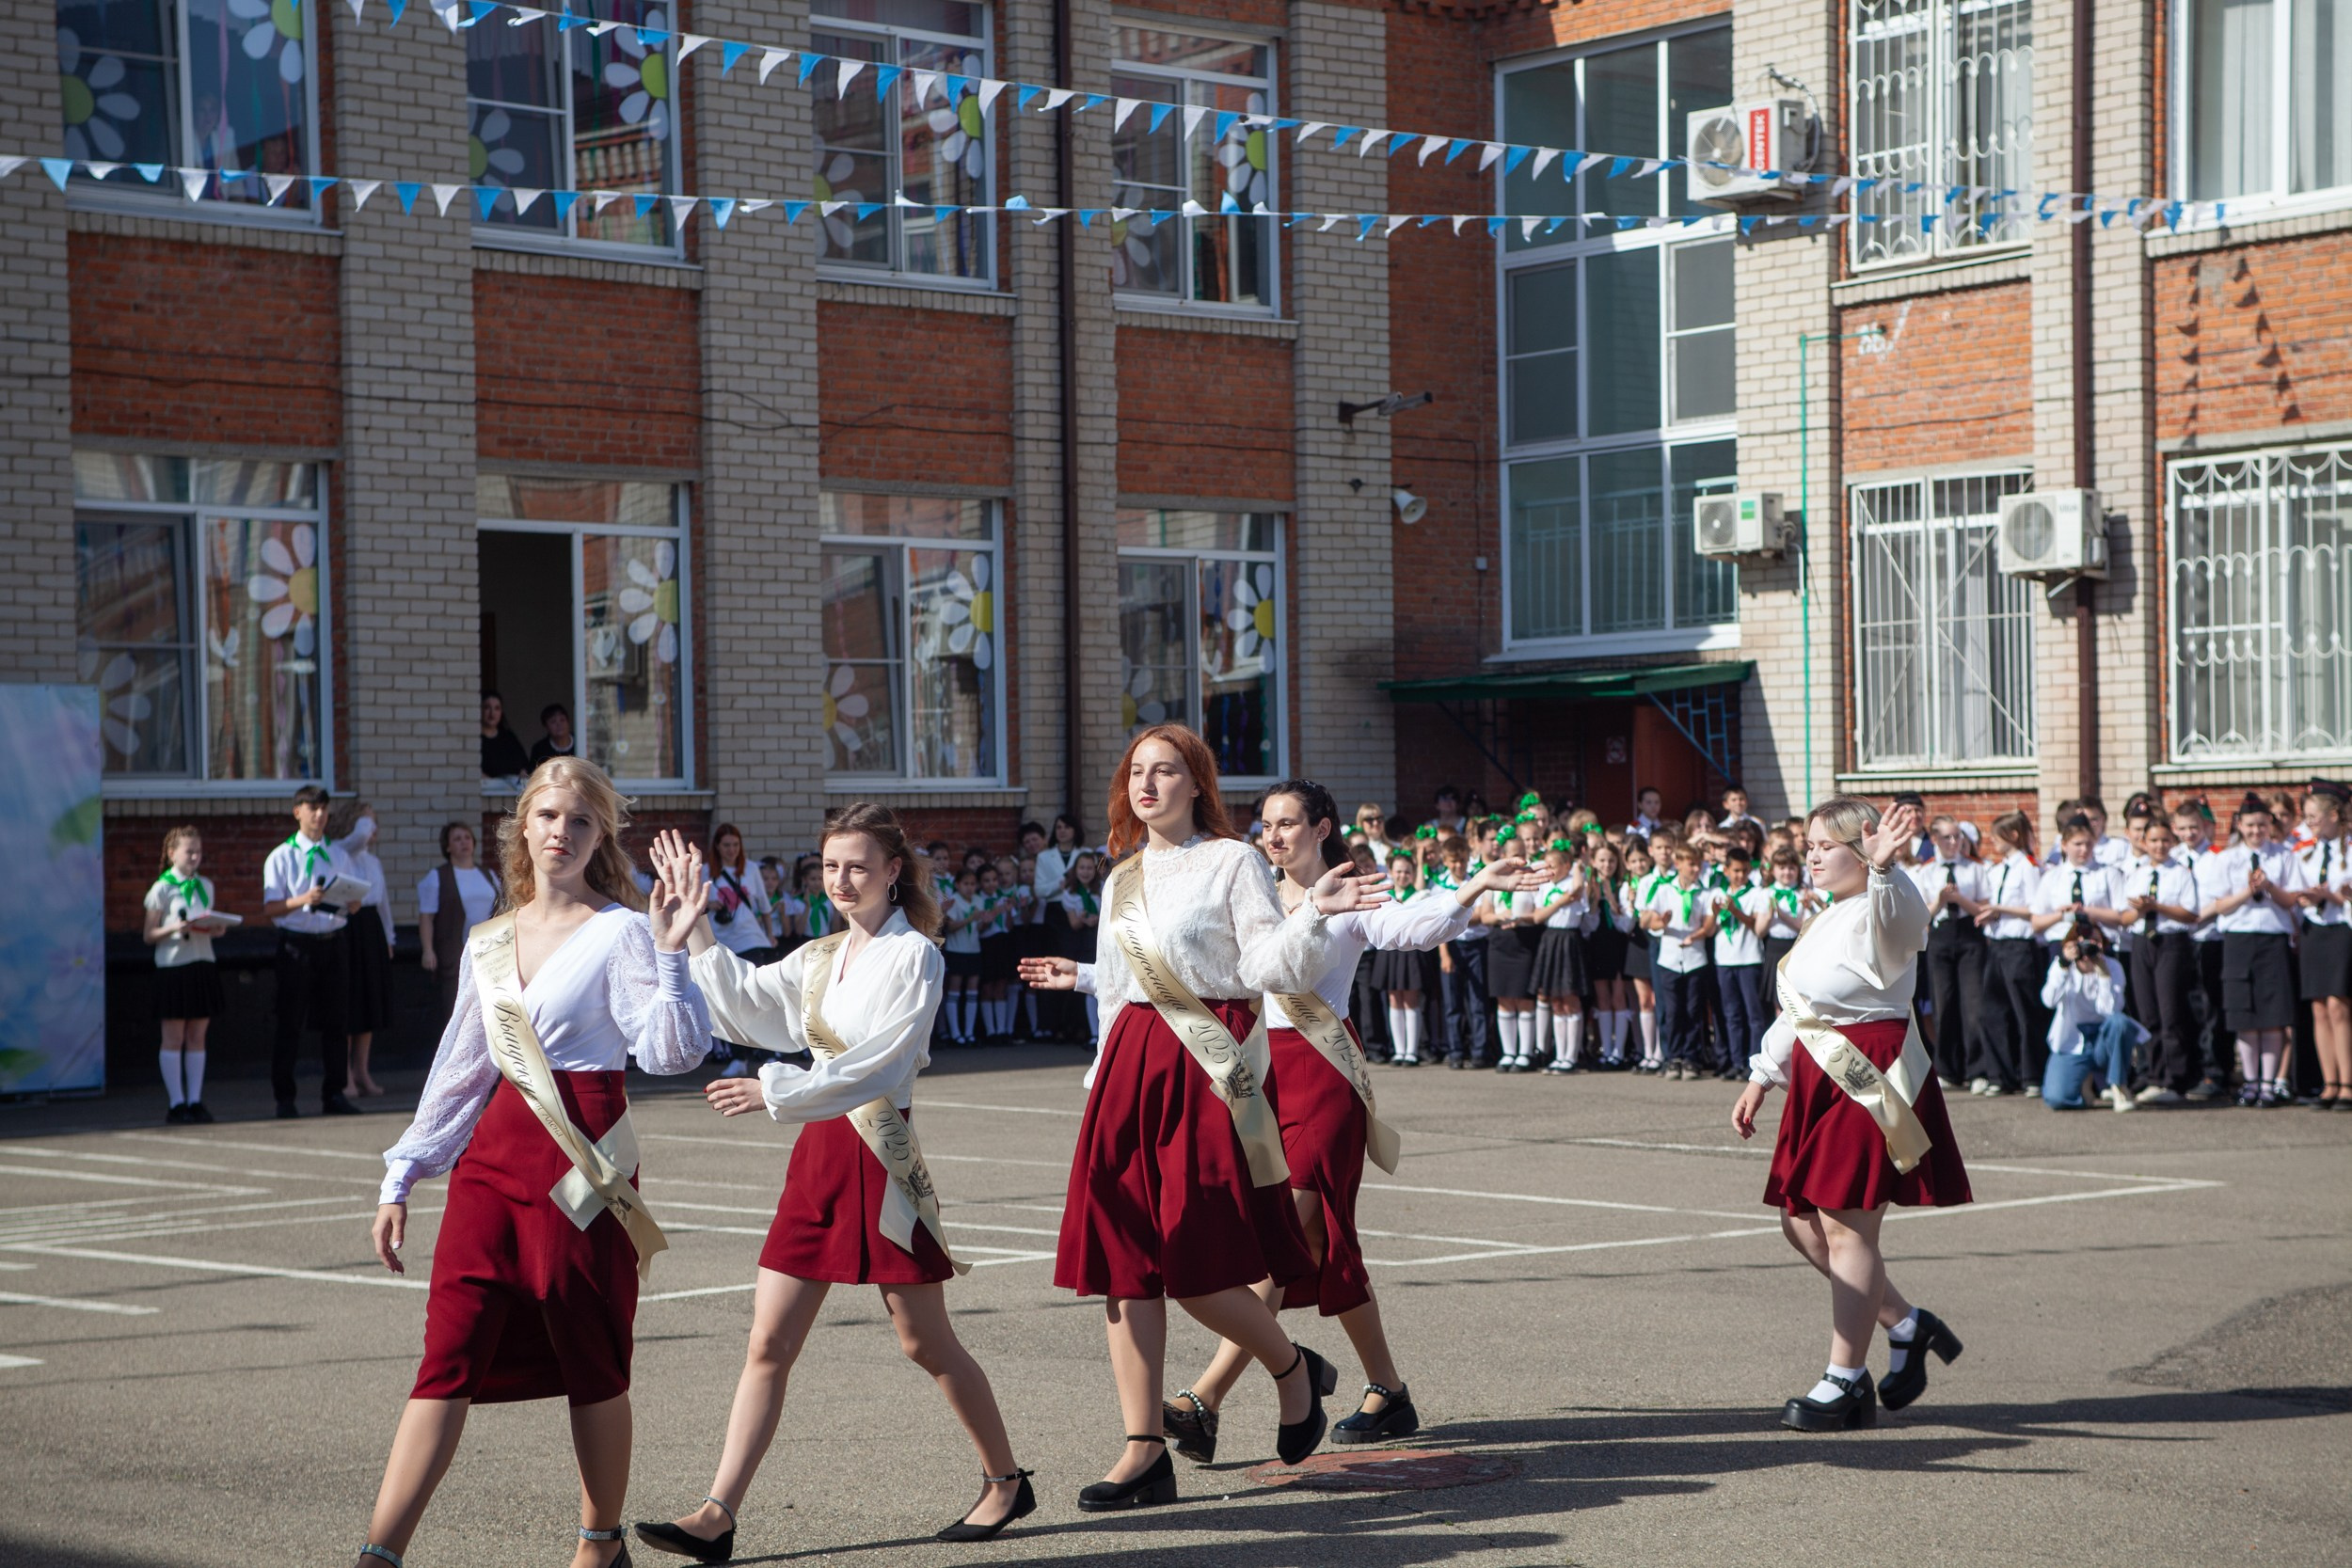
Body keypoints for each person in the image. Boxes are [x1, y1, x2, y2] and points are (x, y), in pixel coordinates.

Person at [637, 809, 1034, 1555]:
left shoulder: (916, 955)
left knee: (925, 1340)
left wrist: (775, 1091)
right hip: (820, 1153)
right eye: (829, 867)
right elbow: (751, 1006)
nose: (841, 880)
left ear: (893, 870)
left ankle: (1006, 1479)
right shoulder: (820, 954)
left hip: (880, 1157)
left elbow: (881, 1064)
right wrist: (694, 930)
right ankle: (717, 1512)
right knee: (769, 1343)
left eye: (857, 866)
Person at [357, 757, 712, 1568]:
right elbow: (461, 1068)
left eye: (580, 821)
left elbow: (667, 1051)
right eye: (549, 815)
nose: (562, 831)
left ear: (599, 837)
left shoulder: (622, 929)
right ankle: (380, 1554)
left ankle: (599, 1542)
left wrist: (670, 953)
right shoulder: (488, 940)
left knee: (591, 1354)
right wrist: (402, 1175)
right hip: (495, 1164)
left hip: (583, 1165)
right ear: (523, 824)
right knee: (448, 1353)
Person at [1017, 724, 1384, 1510]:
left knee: (1193, 1262)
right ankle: (1143, 1448)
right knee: (1123, 1263)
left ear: (1197, 783)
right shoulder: (1121, 879)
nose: (1148, 783)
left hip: (1204, 1068)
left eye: (1167, 770)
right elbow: (1121, 989)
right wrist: (1098, 1077)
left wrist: (1314, 913)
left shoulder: (1232, 859)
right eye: (1137, 771)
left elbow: (1260, 967)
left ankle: (1291, 1370)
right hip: (1129, 1069)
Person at [1162, 782, 1537, 1463]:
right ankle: (1387, 1389)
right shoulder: (1248, 896)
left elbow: (1414, 928)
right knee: (1324, 1242)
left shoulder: (1351, 891)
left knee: (1287, 1233)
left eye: (1287, 823)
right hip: (1257, 1078)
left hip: (1324, 1075)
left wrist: (1478, 880)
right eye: (1266, 824)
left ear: (1321, 827)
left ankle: (1204, 1398)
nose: (1272, 835)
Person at [1731, 797, 1971, 1432]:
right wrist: (1763, 1073)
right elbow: (1803, 1010)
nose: (1812, 854)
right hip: (1820, 1071)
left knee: (1846, 1227)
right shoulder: (1830, 915)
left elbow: (1902, 928)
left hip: (1870, 1076)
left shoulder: (1886, 905)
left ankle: (1845, 1379)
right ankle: (1908, 1323)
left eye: (1826, 844)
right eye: (1808, 844)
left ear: (1863, 850)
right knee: (1798, 1219)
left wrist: (1890, 870)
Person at [2200, 794, 2310, 1106]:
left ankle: (2269, 1083)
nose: (2256, 831)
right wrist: (2248, 890)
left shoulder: (2284, 856)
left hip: (2272, 939)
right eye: (2250, 825)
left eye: (2262, 824)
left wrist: (2269, 887)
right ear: (2240, 825)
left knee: (2273, 1016)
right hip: (2239, 940)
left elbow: (2292, 901)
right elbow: (2219, 904)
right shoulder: (2227, 858)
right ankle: (2249, 1081)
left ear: (2269, 825)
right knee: (2244, 1015)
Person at [262, 784, 360, 1120]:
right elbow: (271, 907)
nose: (319, 815)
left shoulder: (339, 854)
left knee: (336, 1021)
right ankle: (284, 1097)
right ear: (298, 812)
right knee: (290, 1021)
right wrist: (303, 900)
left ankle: (334, 1092)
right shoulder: (281, 856)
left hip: (333, 941)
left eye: (323, 809)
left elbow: (352, 896)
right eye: (312, 809)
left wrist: (354, 902)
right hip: (297, 945)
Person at [145, 826, 230, 1125]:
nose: (194, 857)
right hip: (173, 967)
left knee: (197, 1036)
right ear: (171, 854)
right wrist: (174, 928)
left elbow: (207, 921)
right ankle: (176, 1102)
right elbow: (149, 934)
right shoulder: (162, 888)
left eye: (198, 851)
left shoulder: (205, 884)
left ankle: (195, 1100)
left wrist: (215, 928)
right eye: (188, 851)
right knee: (174, 1036)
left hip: (201, 963)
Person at [2122, 818, 2204, 1103]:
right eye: (2153, 840)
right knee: (2148, 1013)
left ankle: (2175, 1079)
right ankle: (2154, 1076)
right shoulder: (2137, 873)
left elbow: (2191, 914)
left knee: (2171, 1012)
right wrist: (2140, 910)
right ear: (2143, 842)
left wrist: (2156, 906)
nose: (2159, 846)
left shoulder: (2180, 873)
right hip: (2143, 941)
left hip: (2170, 943)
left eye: (2164, 840)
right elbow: (2125, 915)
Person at [1913, 816, 1994, 1094]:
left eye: (1957, 836)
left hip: (1969, 935)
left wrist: (1960, 900)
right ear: (1934, 840)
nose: (1954, 842)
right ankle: (1947, 1068)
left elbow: (1983, 911)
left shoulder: (1974, 868)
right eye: (1947, 837)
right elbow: (1922, 916)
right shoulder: (1927, 871)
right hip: (1940, 936)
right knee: (1943, 1003)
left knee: (1973, 1006)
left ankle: (1977, 1069)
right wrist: (1940, 900)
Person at [1975, 812, 2049, 1094]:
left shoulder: (2028, 867)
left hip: (2020, 947)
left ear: (2014, 836)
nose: (1993, 842)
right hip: (1997, 945)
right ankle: (2000, 1075)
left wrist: (2000, 910)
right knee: (1993, 1011)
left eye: (1997, 836)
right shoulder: (1998, 868)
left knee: (2025, 1011)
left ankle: (2032, 1075)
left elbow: (2035, 908)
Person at [2039, 925, 2146, 1112]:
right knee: (2056, 1099)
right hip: (2073, 1040)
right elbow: (2049, 1001)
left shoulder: (2113, 966)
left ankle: (2119, 1086)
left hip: (2103, 1038)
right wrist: (2064, 966)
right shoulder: (2061, 965)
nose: (2088, 948)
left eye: (2095, 942)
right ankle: (2084, 1084)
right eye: (2082, 944)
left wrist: (2104, 976)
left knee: (2121, 1023)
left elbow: (2111, 1011)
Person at [2292, 782, 2352, 1108]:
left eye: (2314, 816)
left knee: (2338, 1006)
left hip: (2341, 929)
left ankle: (2348, 1082)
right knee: (2318, 1008)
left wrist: (2330, 895)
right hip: (2314, 930)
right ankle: (2329, 1082)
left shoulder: (2350, 849)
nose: (2310, 822)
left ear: (2333, 815)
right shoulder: (2307, 853)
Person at [2169, 800, 2233, 1101]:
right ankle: (2191, 1070)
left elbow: (2222, 899)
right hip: (2182, 941)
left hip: (2210, 938)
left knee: (2211, 1009)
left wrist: (2197, 917)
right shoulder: (2173, 858)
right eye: (2182, 829)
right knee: (2186, 1008)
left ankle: (2215, 1073)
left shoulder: (2219, 858)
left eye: (2194, 827)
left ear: (2205, 826)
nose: (2189, 834)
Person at [335, 801, 396, 1099]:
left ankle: (362, 1071)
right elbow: (356, 839)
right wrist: (364, 820)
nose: (372, 830)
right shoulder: (341, 851)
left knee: (369, 1002)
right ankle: (343, 1075)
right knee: (349, 1003)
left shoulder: (374, 862)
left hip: (371, 929)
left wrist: (389, 938)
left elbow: (383, 905)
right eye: (367, 823)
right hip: (348, 928)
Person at [419, 821, 503, 1029]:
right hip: (455, 953)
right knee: (457, 1013)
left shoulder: (487, 874)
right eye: (457, 839)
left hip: (489, 954)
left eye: (466, 837)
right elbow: (426, 917)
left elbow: (502, 909)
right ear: (447, 847)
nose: (464, 842)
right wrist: (428, 950)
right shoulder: (438, 877)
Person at [1643, 844, 1715, 1080]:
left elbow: (1707, 924)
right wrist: (1661, 923)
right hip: (1670, 958)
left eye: (1698, 865)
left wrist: (1696, 935)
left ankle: (1692, 1058)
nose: (1695, 869)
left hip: (1695, 957)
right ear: (1678, 865)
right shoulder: (1664, 891)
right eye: (1691, 864)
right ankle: (1673, 1056)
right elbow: (1648, 921)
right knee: (1672, 1010)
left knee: (1693, 1009)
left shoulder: (1703, 894)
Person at [1481, 829, 1545, 1073]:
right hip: (1500, 942)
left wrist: (1521, 918)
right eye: (1513, 855)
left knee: (1524, 999)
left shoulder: (1532, 879)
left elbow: (1540, 913)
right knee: (1504, 999)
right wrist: (1500, 916)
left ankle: (1525, 1054)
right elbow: (1485, 915)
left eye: (1522, 854)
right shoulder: (1493, 881)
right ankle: (1508, 1053)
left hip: (1524, 940)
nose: (1519, 860)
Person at [1370, 849, 1437, 1066]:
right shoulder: (1384, 895)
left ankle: (1411, 1051)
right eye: (1398, 871)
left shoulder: (1420, 896)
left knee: (1410, 999)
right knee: (1393, 998)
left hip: (1411, 953)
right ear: (1390, 871)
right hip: (1390, 952)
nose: (1402, 875)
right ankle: (1399, 1051)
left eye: (1407, 871)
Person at [1710, 846, 1770, 1081]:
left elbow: (1756, 928)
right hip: (1724, 960)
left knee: (1753, 1014)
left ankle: (1753, 1062)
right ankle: (1735, 1061)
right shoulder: (1717, 894)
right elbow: (1710, 927)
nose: (1739, 875)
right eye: (1735, 870)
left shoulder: (1757, 894)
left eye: (1744, 871)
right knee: (1731, 1013)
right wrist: (1716, 912)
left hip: (1749, 959)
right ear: (1725, 870)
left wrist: (1735, 910)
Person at [1532, 838, 1590, 1073]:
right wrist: (1561, 901)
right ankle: (1559, 1055)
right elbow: (1538, 916)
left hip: (1569, 940)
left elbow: (1576, 890)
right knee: (1555, 999)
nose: (1550, 871)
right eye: (1547, 866)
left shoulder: (1574, 882)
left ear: (1566, 866)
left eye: (1554, 866)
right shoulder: (1546, 887)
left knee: (1570, 999)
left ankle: (1571, 1056)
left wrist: (1578, 866)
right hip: (1550, 940)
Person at [1582, 839, 1633, 1068]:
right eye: (1602, 860)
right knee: (1602, 997)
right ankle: (1606, 1049)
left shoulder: (1622, 885)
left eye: (1611, 860)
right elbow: (1587, 926)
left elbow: (1625, 925)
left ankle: (1619, 1052)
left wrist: (1611, 899)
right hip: (1598, 943)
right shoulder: (1588, 886)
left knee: (1618, 997)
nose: (1607, 865)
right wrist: (1594, 902)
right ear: (1593, 862)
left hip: (1618, 943)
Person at [707, 824, 776, 963]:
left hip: (748, 937)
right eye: (726, 845)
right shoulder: (705, 871)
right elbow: (696, 906)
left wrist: (770, 934)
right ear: (717, 846)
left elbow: (763, 904)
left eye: (735, 845)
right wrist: (709, 904)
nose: (732, 850)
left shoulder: (751, 868)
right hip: (719, 939)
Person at [940, 867, 986, 1045]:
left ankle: (969, 1033)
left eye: (973, 884)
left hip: (974, 950)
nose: (970, 887)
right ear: (958, 884)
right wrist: (970, 919)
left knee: (973, 991)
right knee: (954, 991)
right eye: (966, 884)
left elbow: (979, 929)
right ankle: (955, 1033)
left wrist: (985, 922)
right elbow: (950, 927)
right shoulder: (954, 901)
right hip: (957, 950)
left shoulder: (979, 900)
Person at [480, 690, 530, 781]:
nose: (492, 713)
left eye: (497, 708)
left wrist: (523, 774)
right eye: (487, 707)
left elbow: (524, 764)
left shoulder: (509, 737)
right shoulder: (475, 739)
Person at [529, 703, 579, 769]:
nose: (559, 724)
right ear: (546, 727)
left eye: (562, 720)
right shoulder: (539, 749)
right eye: (553, 722)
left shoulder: (580, 742)